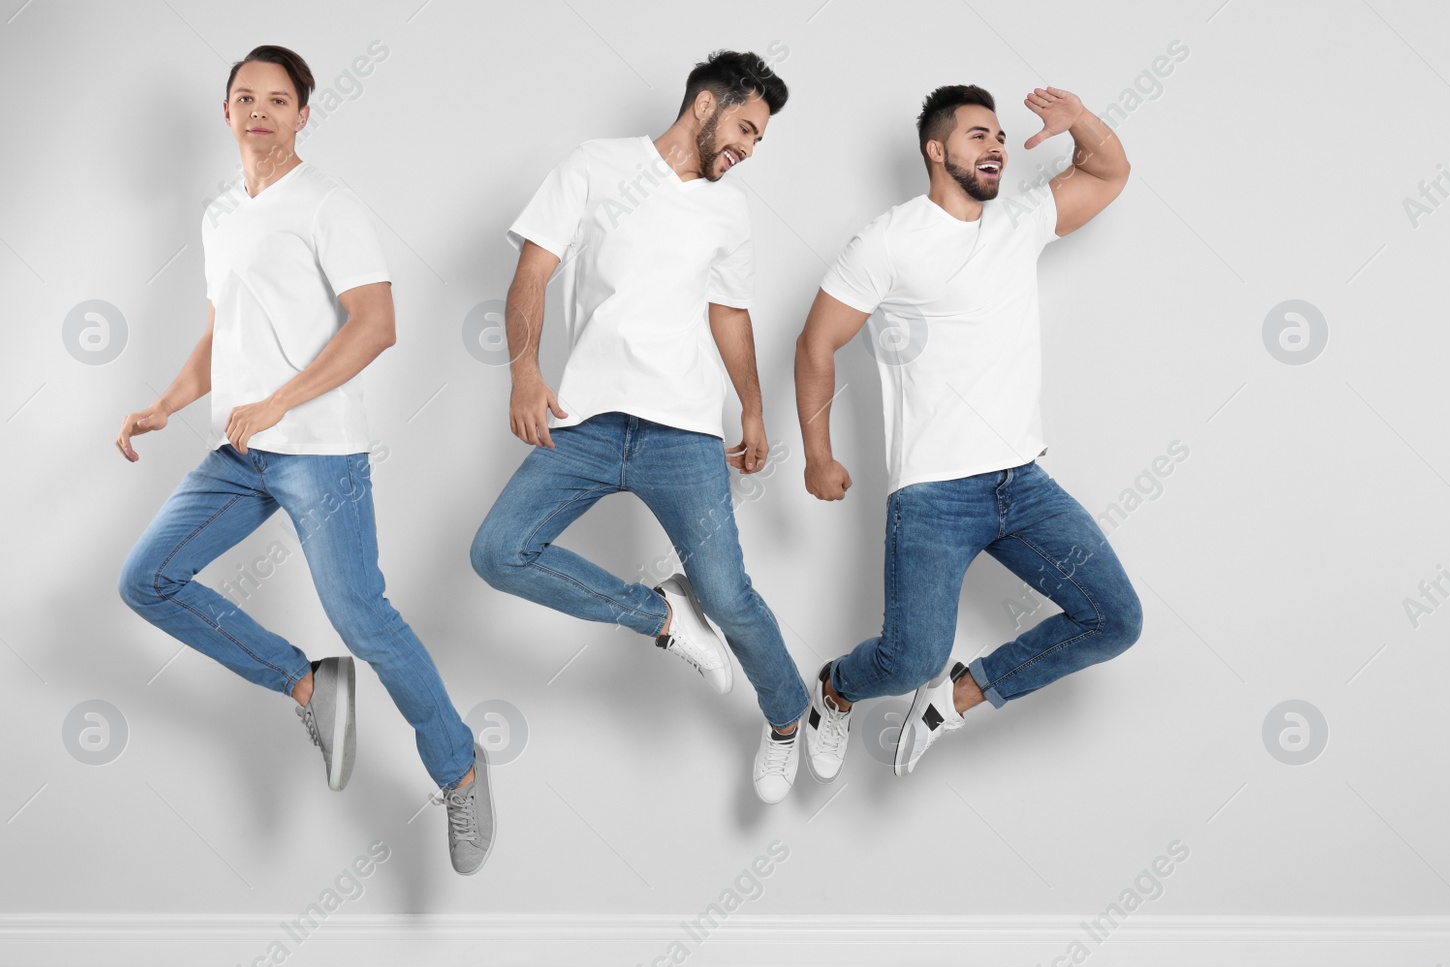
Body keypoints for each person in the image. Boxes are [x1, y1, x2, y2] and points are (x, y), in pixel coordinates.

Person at [115, 45, 493, 874]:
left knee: (364, 616)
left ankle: (460, 766)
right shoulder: (219, 215)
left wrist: (282, 399)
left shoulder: (327, 204)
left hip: (317, 450)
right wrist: (168, 402)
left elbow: (376, 323)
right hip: (239, 451)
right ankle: (306, 683)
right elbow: (226, 333)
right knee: (146, 580)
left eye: (277, 100)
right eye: (244, 97)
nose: (259, 111)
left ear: (303, 115)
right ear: (226, 113)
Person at [470, 50, 812, 803]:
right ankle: (662, 614)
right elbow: (533, 272)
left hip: (683, 431)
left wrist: (752, 406)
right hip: (586, 419)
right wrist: (524, 371)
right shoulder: (595, 166)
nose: (748, 148)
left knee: (731, 597)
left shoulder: (729, 209)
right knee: (499, 551)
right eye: (746, 127)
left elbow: (729, 312)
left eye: (759, 141)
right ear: (703, 105)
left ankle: (789, 716)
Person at [793, 84, 1144, 779]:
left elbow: (1109, 171)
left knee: (1115, 618)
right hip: (933, 497)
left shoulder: (1020, 221)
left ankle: (955, 697)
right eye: (978, 135)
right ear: (936, 149)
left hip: (1023, 482)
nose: (996, 147)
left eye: (1001, 138)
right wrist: (816, 454)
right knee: (907, 658)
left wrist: (1079, 124)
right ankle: (834, 689)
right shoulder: (890, 238)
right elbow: (815, 344)